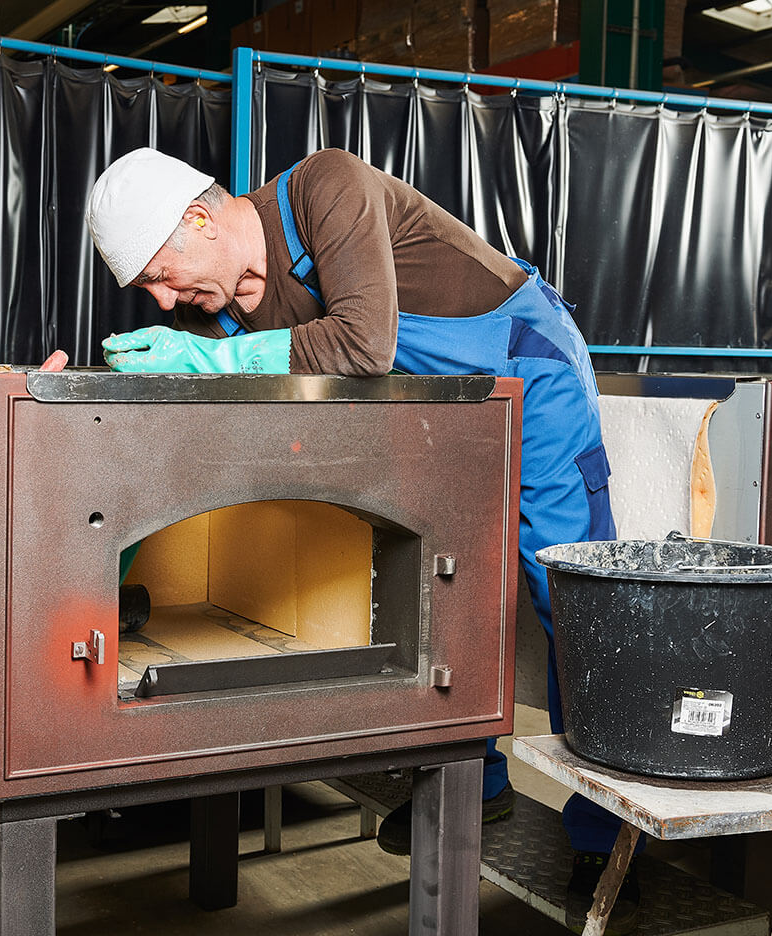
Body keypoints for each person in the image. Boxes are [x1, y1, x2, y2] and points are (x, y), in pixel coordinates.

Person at [86, 146, 640, 934]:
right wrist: (111, 557)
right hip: (434, 406)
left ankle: (603, 830)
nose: (166, 302)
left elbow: (361, 345)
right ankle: (475, 779)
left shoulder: (326, 188)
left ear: (200, 219)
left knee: (567, 590)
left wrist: (218, 358)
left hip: (525, 364)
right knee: (447, 575)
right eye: (149, 292)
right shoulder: (227, 312)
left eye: (160, 276)